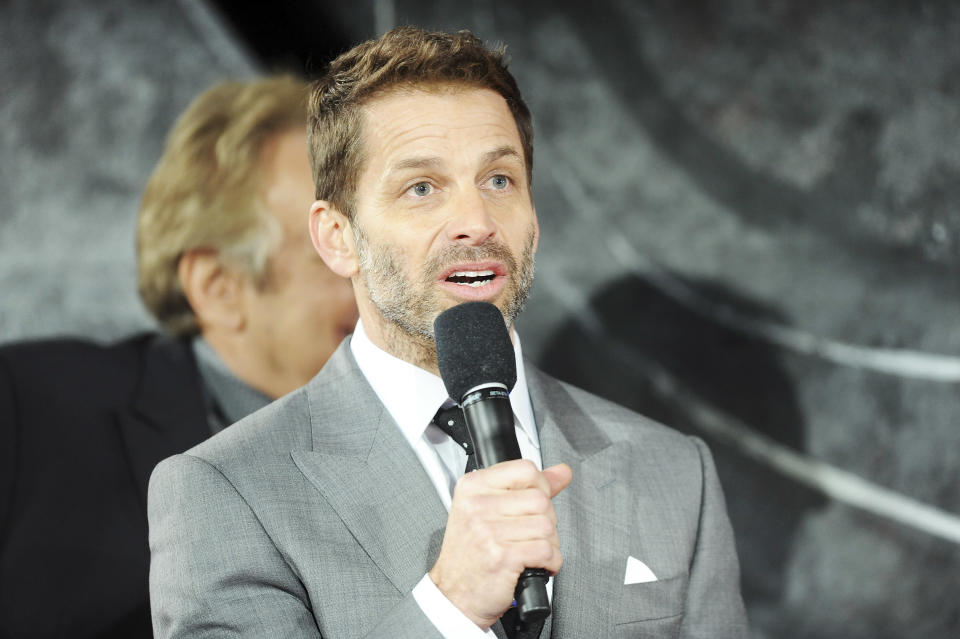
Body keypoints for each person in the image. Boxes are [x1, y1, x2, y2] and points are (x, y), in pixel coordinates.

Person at [148, 27, 748, 639]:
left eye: (498, 180)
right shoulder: (226, 493)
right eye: (422, 188)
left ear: (534, 219)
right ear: (337, 237)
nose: (475, 222)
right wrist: (451, 605)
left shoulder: (674, 475)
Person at [0, 76, 358, 639]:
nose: (375, 281)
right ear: (218, 286)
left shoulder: (445, 440)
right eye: (330, 248)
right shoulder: (27, 407)